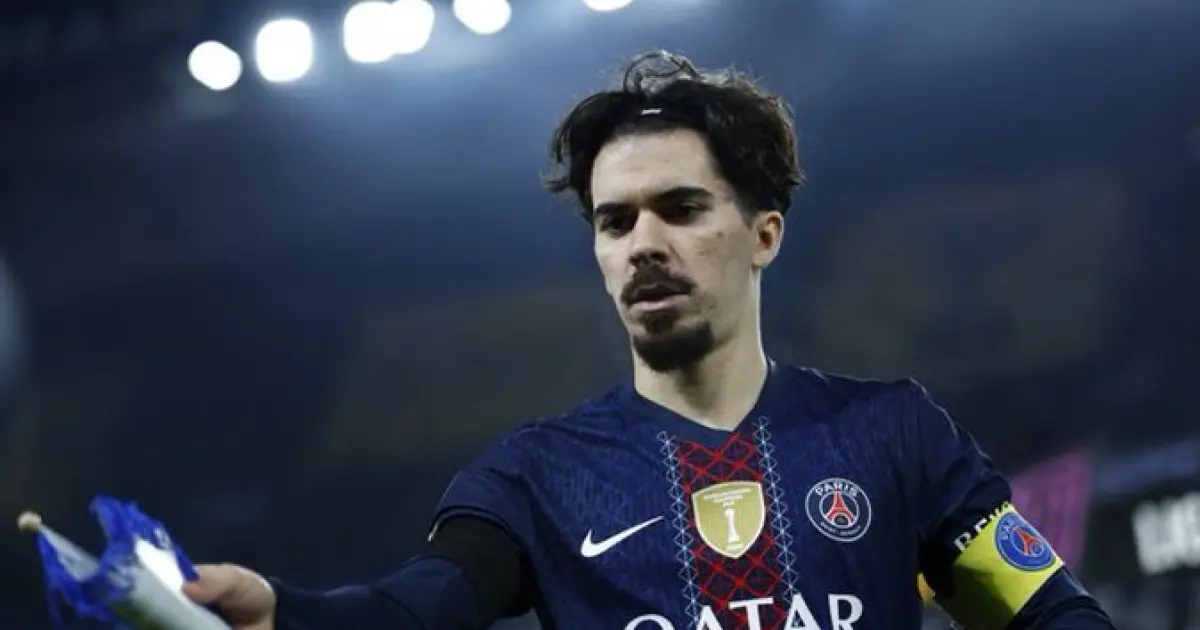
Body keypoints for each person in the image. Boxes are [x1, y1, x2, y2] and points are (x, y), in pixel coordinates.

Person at [184, 51, 1114, 630]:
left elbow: (1048, 612)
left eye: (681, 208)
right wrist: (287, 613)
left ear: (763, 234)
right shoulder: (535, 475)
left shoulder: (892, 435)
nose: (643, 245)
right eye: (615, 221)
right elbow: (417, 607)